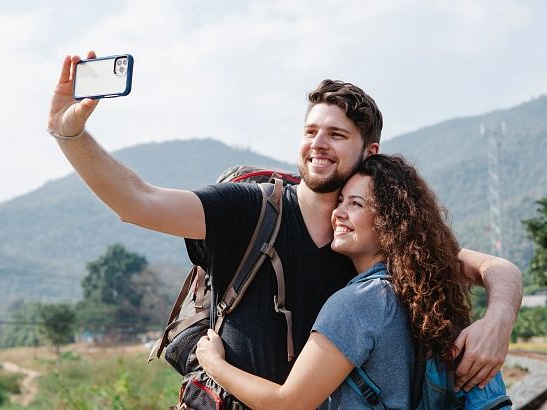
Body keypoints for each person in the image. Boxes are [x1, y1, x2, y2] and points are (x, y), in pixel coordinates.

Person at [47, 50, 522, 394]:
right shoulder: (248, 209)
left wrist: (497, 324)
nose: (318, 143)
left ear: (368, 153)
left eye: (336, 134)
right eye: (311, 131)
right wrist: (69, 134)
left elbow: (498, 270)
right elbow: (138, 201)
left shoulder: (372, 238)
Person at [195, 154, 484, 409]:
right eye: (341, 201)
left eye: (356, 204)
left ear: (390, 222)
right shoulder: (418, 292)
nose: (338, 213)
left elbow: (289, 404)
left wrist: (214, 364)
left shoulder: (360, 302)